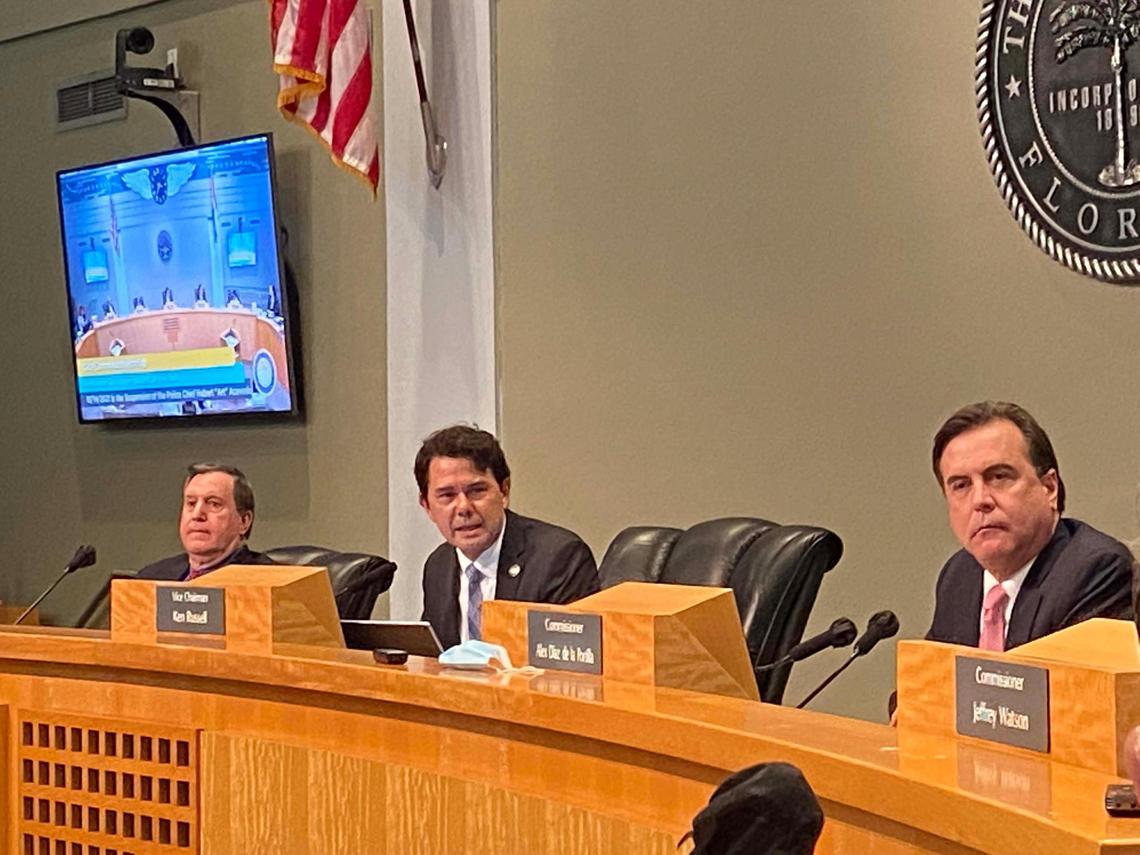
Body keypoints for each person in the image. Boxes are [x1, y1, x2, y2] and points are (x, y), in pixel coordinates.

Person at [925, 401, 1133, 650]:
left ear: (1049, 488)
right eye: (961, 485)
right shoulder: (959, 576)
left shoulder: (1096, 571)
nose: (980, 500)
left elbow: (1064, 686)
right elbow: (931, 682)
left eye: (999, 477)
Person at [416, 425, 599, 649]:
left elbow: (572, 664)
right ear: (426, 506)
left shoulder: (558, 558)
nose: (463, 507)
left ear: (504, 491)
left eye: (476, 491)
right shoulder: (438, 566)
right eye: (447, 495)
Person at [137, 463, 275, 582]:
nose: (197, 515)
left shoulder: (269, 581)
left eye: (214, 504)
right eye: (191, 503)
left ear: (244, 521)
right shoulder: (151, 578)